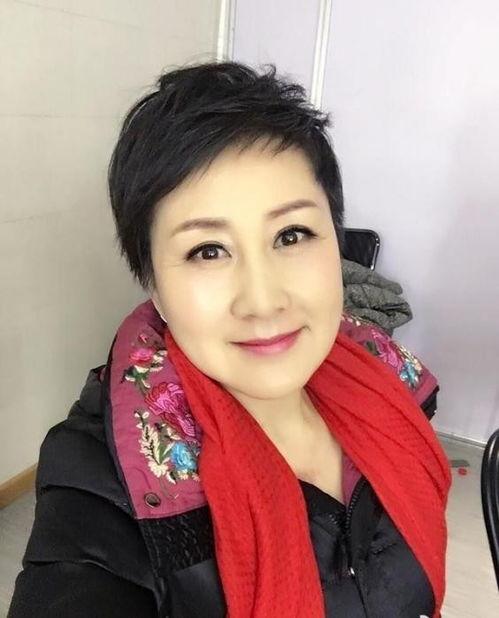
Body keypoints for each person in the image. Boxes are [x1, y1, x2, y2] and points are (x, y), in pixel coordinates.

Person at [8, 60, 451, 618]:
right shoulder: (102, 473)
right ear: (154, 287)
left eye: (291, 235)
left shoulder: (388, 381)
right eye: (208, 250)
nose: (263, 301)